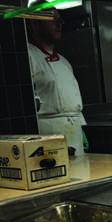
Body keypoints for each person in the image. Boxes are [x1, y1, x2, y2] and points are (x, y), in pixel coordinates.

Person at [27, 1, 86, 155]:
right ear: (34, 23)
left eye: (59, 19)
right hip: (48, 138)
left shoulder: (64, 62)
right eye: (52, 19)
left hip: (75, 137)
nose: (59, 24)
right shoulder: (28, 57)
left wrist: (80, 127)